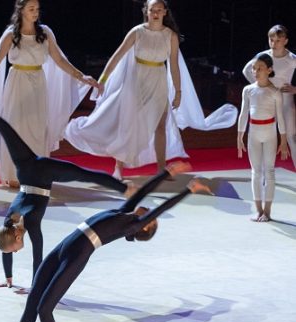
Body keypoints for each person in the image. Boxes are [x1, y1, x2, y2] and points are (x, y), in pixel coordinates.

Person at [1, 161, 211, 322]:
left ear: (146, 226)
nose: (149, 211)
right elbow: (143, 192)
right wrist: (166, 172)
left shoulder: (132, 224)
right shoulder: (124, 212)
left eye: (152, 218)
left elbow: (162, 208)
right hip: (63, 246)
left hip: (76, 255)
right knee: (33, 298)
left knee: (44, 308)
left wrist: (189, 190)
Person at [0, 77, 135, 290]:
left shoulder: (30, 223)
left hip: (44, 174)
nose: (16, 251)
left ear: (17, 236)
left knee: (85, 174)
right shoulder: (8, 223)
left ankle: (125, 188)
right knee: (5, 130)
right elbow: (6, 248)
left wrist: (35, 287)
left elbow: (38, 257)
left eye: (15, 249)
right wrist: (8, 280)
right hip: (26, 169)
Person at [64, 0, 237, 178]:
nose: (155, 13)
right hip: (136, 81)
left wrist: (178, 92)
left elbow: (174, 66)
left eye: (159, 10)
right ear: (146, 11)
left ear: (165, 12)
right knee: (128, 124)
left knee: (160, 126)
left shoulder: (170, 36)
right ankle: (119, 167)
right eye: (152, 10)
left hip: (158, 80)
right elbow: (117, 56)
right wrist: (103, 80)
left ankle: (161, 170)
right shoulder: (137, 32)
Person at [0, 0, 97, 187]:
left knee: (37, 128)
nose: (35, 12)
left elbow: (59, 59)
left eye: (37, 9)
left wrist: (81, 76)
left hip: (38, 83)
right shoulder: (11, 34)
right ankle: (14, 174)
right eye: (31, 9)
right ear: (21, 11)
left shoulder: (45, 33)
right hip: (17, 83)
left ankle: (36, 174)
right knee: (15, 126)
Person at [237, 53, 289, 222]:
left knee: (269, 171)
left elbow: (280, 118)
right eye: (254, 68)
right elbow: (243, 114)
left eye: (260, 68)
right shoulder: (248, 90)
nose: (256, 71)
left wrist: (283, 141)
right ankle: (258, 210)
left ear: (269, 70)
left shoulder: (275, 92)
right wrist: (239, 136)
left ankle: (267, 211)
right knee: (256, 172)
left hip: (270, 134)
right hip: (253, 132)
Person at [241, 25, 296, 159]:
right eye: (271, 40)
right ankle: (263, 171)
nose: (274, 44)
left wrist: (295, 89)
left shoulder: (292, 59)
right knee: (266, 138)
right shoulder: (263, 57)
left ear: (285, 41)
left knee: (292, 137)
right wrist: (259, 86)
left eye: (278, 41)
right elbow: (246, 70)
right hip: (268, 103)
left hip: (286, 103)